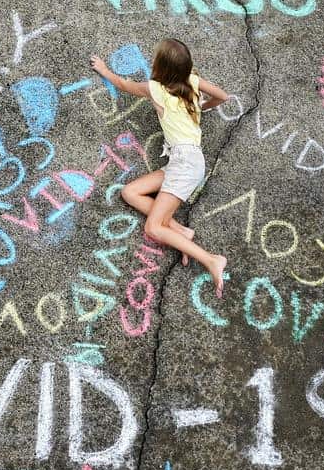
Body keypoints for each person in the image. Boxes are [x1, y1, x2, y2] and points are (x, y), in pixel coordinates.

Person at [90, 38, 228, 297]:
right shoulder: (193, 81)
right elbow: (222, 96)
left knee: (153, 228)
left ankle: (211, 259)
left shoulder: (156, 89)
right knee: (130, 192)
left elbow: (123, 85)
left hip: (186, 164)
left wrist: (104, 70)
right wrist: (201, 108)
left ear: (161, 67)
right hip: (182, 161)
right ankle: (181, 231)